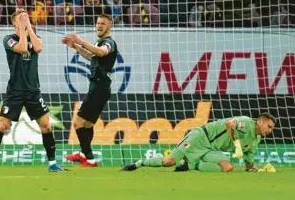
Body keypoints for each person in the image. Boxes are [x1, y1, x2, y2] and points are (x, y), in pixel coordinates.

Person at [0, 9, 65, 173]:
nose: (25, 19)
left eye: (26, 17)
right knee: (2, 126)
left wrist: (28, 27)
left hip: (33, 90)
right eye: (20, 18)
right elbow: (21, 48)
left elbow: (38, 47)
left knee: (47, 126)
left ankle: (52, 164)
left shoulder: (35, 38)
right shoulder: (9, 40)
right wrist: (22, 30)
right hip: (15, 91)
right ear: (13, 22)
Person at [121, 113, 276, 173]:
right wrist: (236, 145)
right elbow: (230, 124)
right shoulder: (246, 122)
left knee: (228, 168)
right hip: (200, 137)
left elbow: (249, 165)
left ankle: (191, 165)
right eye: (268, 126)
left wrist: (260, 170)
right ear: (260, 122)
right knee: (168, 162)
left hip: (211, 150)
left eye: (271, 129)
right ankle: (139, 163)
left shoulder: (256, 140)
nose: (269, 130)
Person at [61, 14, 118, 167]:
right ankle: (82, 154)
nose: (99, 26)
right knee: (87, 125)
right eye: (98, 23)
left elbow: (101, 52)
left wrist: (80, 40)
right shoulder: (99, 42)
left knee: (78, 123)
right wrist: (75, 47)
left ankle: (90, 159)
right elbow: (92, 56)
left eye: (103, 24)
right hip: (99, 87)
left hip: (99, 88)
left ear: (109, 27)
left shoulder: (109, 43)